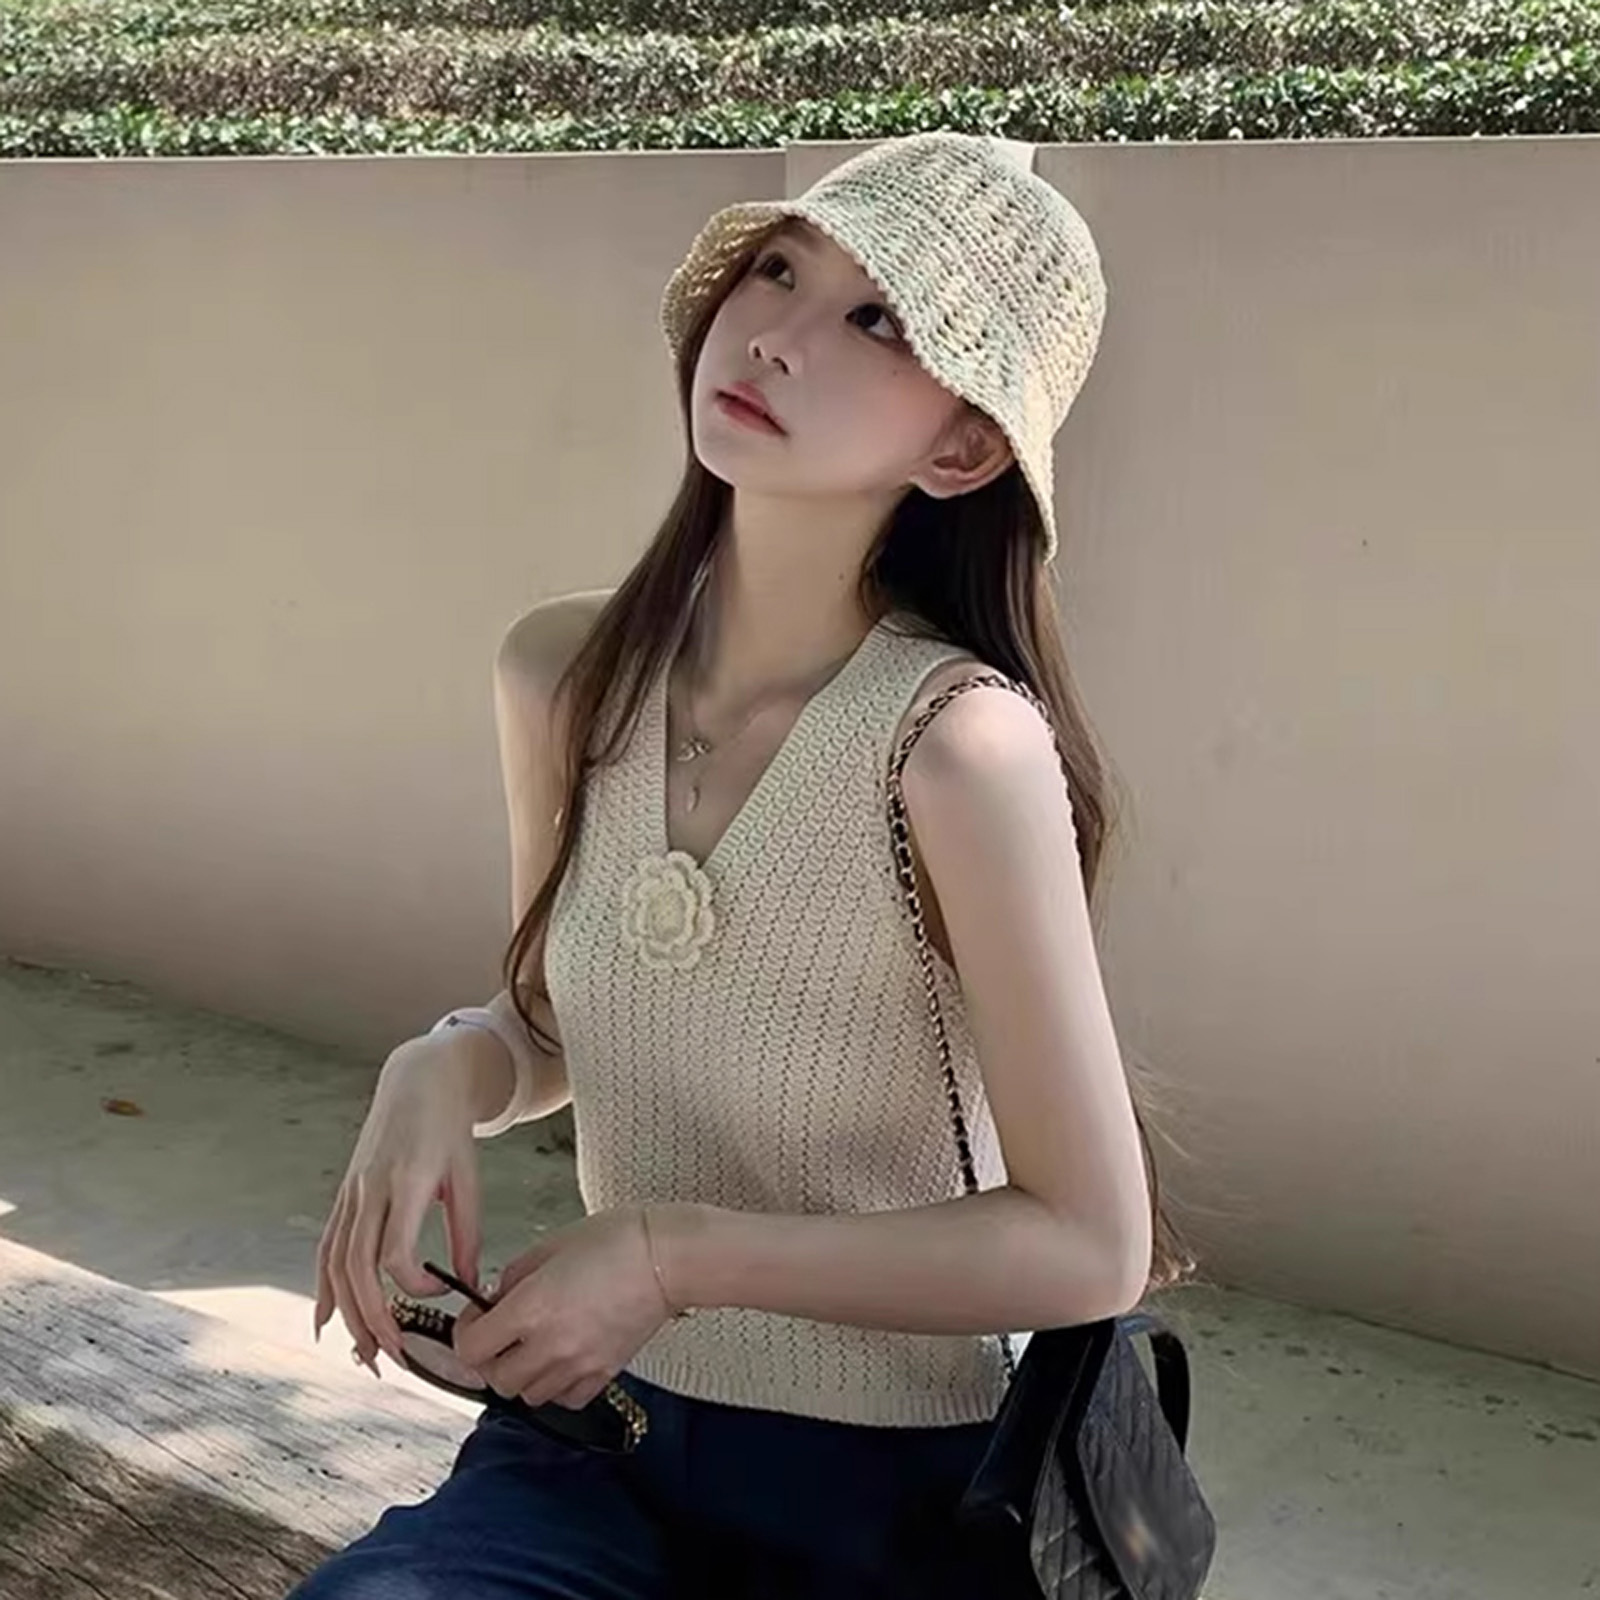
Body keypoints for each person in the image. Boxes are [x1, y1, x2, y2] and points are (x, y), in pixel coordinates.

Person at [293, 132, 1194, 1600]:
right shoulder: (564, 673)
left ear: (962, 449)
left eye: (877, 320)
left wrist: (667, 1259)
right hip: (599, 1440)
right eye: (778, 271)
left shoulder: (956, 749)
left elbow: (1092, 1243)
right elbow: (558, 1019)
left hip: (899, 1498)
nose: (776, 334)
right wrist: (444, 1066)